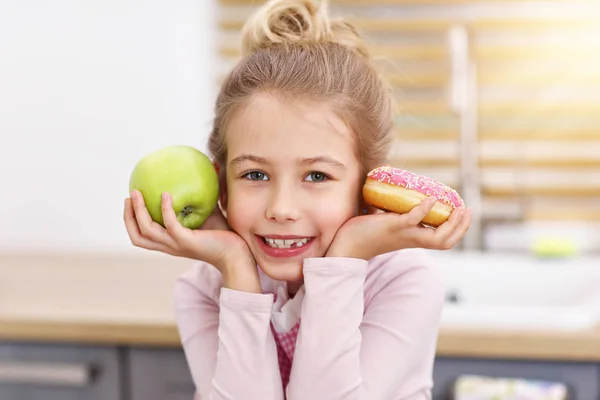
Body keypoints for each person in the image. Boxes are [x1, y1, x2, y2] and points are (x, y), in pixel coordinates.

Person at [123, 0, 472, 398]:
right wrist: (236, 270)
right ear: (221, 185)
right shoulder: (203, 289)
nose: (282, 209)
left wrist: (345, 260)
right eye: (255, 174)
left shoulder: (403, 282)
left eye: (317, 175)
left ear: (367, 184)